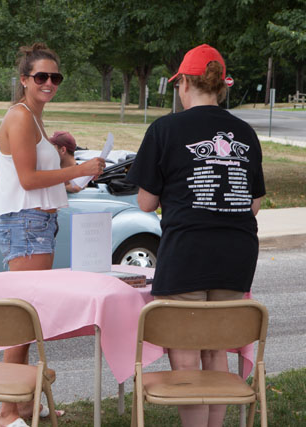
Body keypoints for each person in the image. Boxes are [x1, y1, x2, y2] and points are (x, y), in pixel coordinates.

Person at [126, 44, 265, 427]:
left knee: (185, 354)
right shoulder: (245, 132)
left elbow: (144, 201)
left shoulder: (166, 128)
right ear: (221, 85)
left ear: (184, 82)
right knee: (216, 347)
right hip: (237, 254)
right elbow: (253, 205)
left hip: (186, 250)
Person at [0, 42, 105, 427]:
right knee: (22, 319)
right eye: (41, 76)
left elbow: (47, 182)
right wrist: (77, 168)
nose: (49, 82)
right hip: (24, 223)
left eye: (55, 77)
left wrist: (81, 171)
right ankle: (7, 412)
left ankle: (23, 404)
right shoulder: (21, 117)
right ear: (24, 80)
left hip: (39, 222)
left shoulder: (37, 119)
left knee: (30, 315)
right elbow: (28, 179)